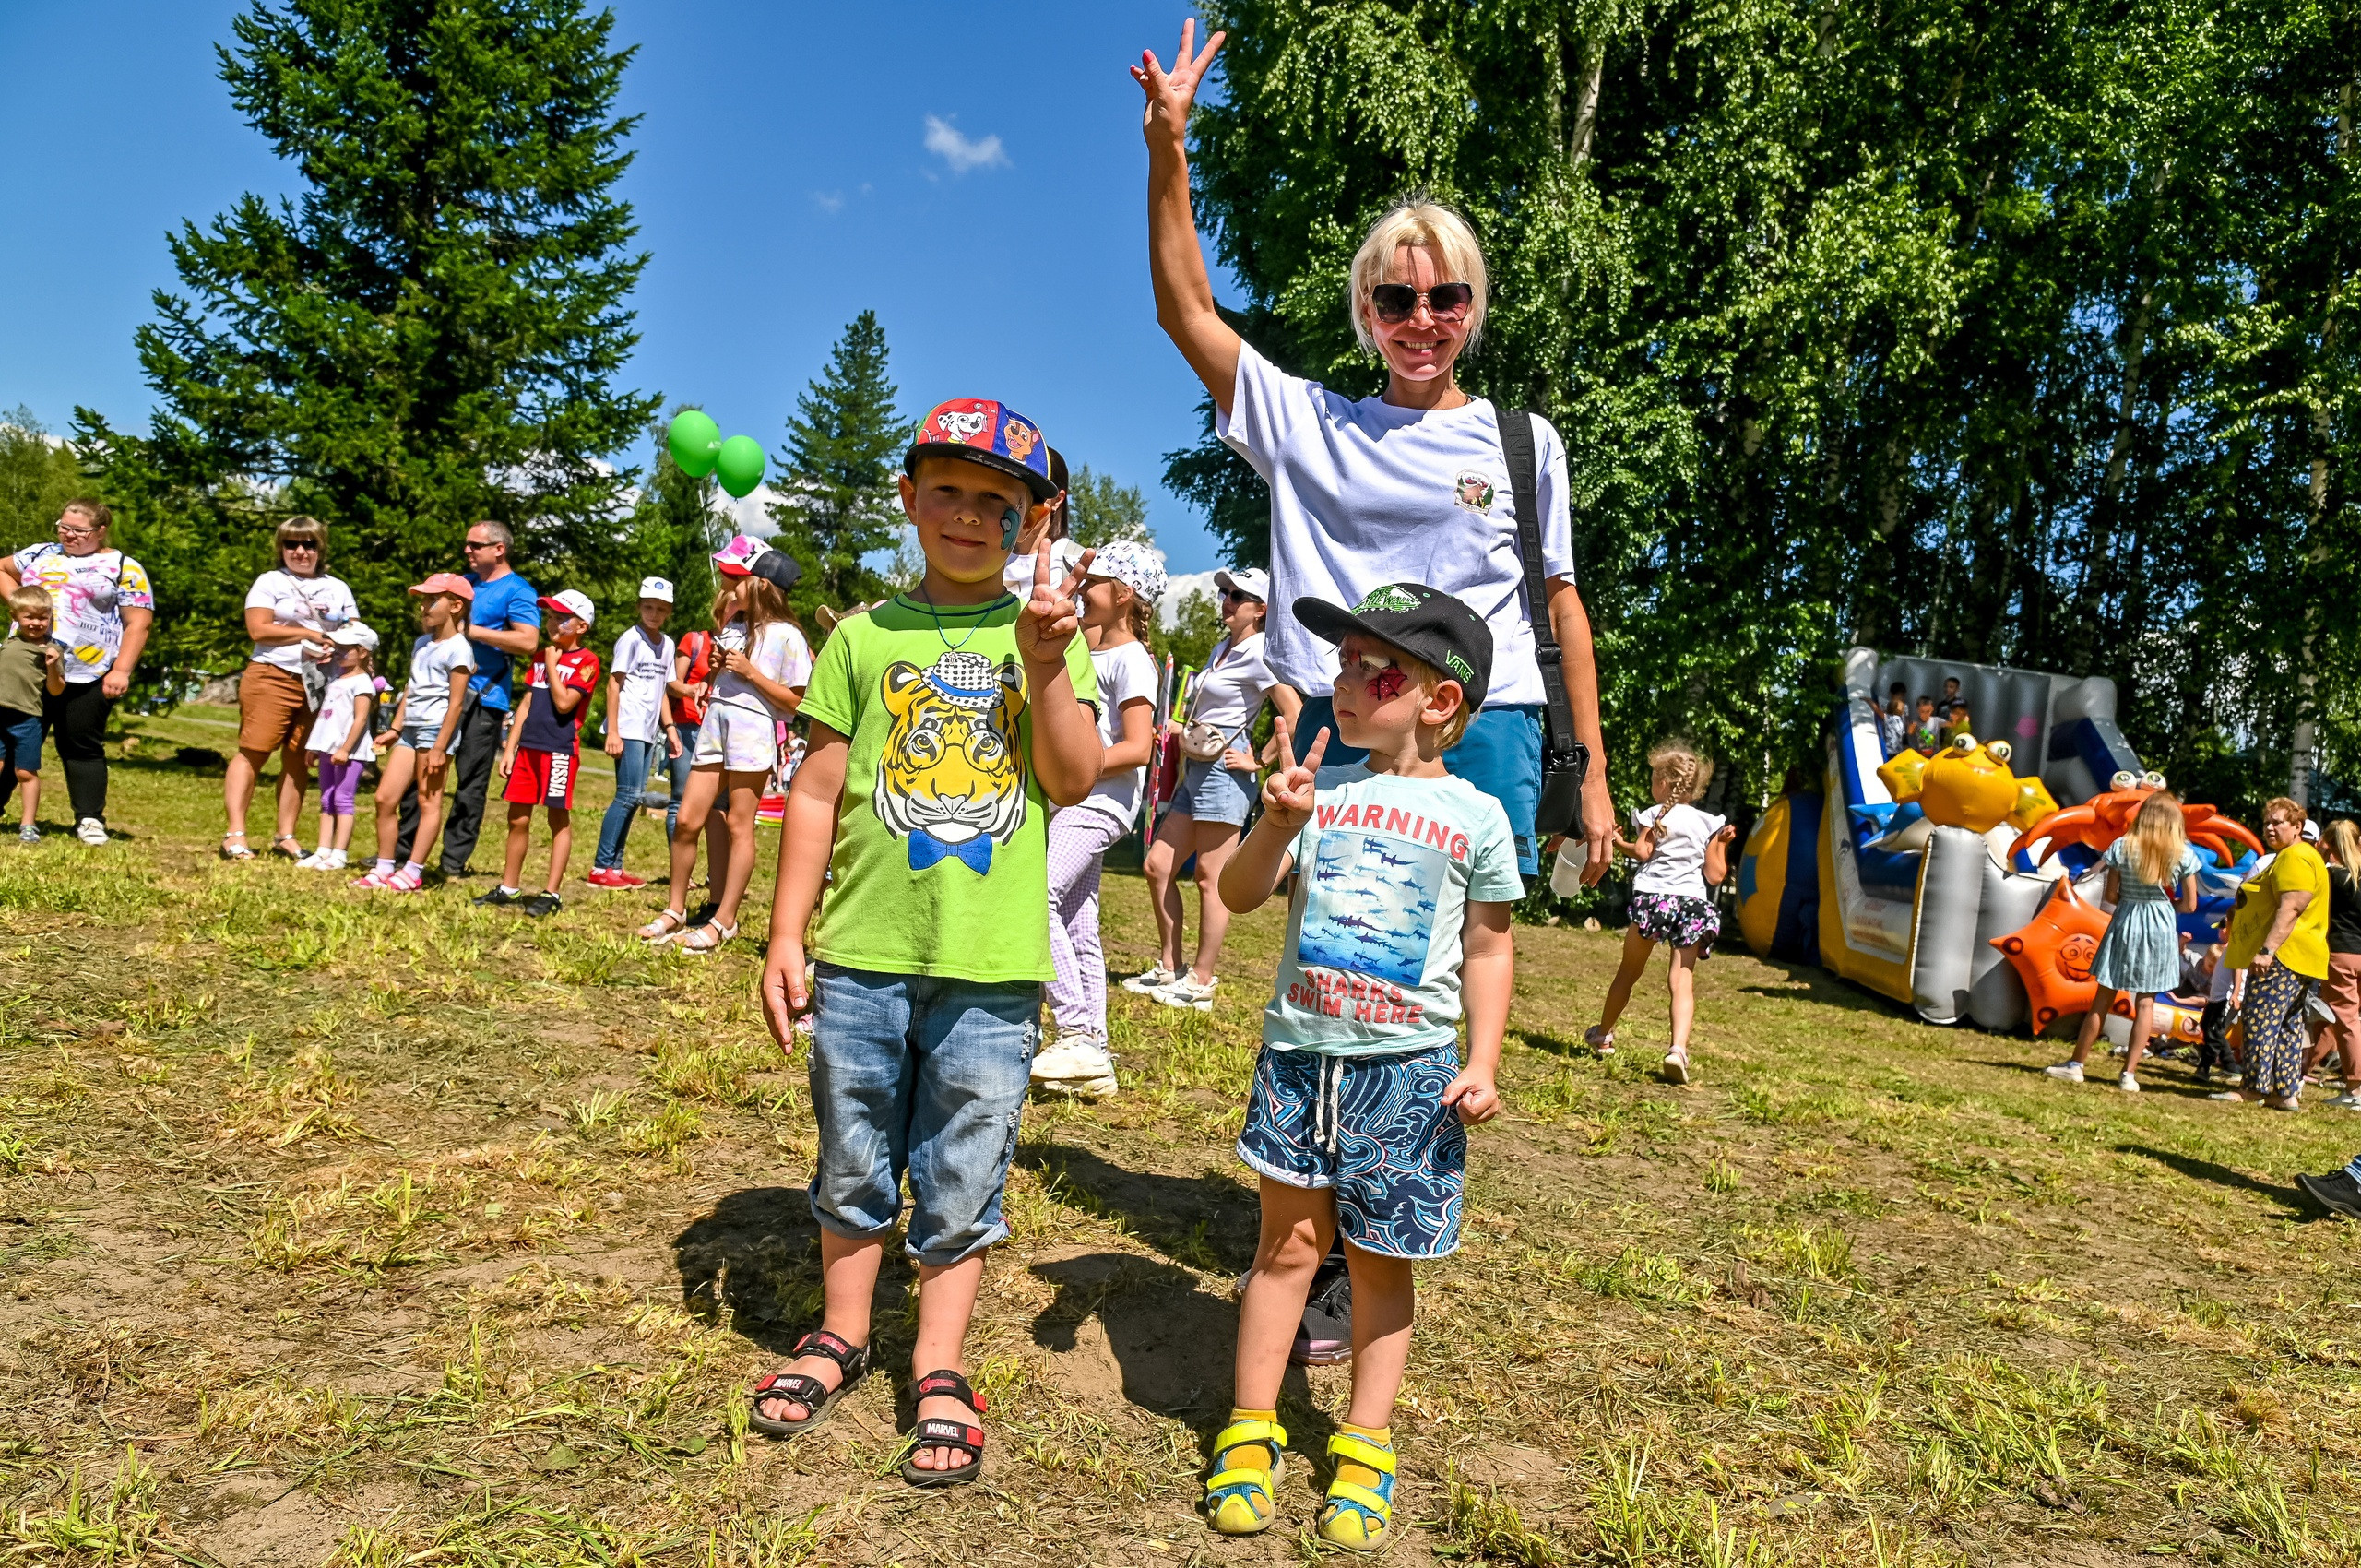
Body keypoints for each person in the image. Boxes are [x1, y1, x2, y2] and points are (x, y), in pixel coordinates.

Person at [1134, 21, 1614, 890]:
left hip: (1488, 716)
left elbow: (1561, 607)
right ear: (1366, 307)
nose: (1421, 319)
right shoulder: (1309, 422)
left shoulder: (1523, 441)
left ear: (1471, 306)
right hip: (1347, 708)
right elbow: (1187, 313)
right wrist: (1171, 147)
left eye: (1445, 297)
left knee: (1472, 942)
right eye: (1396, 298)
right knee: (1344, 930)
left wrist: (1596, 778)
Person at [749, 398, 1102, 1486]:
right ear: (907, 498)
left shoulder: (1049, 636)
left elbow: (1073, 778)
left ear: (1032, 523)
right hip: (861, 950)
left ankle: (938, 1362)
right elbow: (814, 791)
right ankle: (844, 1331)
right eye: (945, 488)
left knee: (963, 1165)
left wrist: (1045, 663)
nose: (966, 514)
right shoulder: (861, 637)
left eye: (996, 501)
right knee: (852, 1152)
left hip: (992, 969)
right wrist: (783, 928)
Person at [1204, 583, 1512, 1550]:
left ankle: (1363, 1447)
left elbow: (1491, 947)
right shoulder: (1317, 792)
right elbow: (1243, 894)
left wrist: (1484, 1057)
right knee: (1286, 1251)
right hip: (1301, 1059)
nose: (1342, 682)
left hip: (1410, 1076)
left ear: (1438, 700)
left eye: (1370, 667)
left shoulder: (1476, 815)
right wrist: (1275, 826)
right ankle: (1250, 1431)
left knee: (1382, 1269)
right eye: (1339, 664)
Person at [1128, 567, 1301, 1011]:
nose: (1227, 600)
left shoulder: (1262, 652)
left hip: (1226, 774)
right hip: (1197, 768)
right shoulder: (1223, 648)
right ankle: (1171, 967)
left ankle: (1201, 980)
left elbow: (1294, 712)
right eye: (1225, 592)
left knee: (1210, 878)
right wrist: (1178, 727)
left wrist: (1258, 761)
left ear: (1261, 609)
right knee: (1157, 866)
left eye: (1238, 595)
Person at [1032, 540, 1164, 1099]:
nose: (1082, 590)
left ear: (1124, 594)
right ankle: (1094, 1060)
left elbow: (1138, 747)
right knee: (1080, 920)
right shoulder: (1088, 653)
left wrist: (1074, 768)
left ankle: (1075, 1030)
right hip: (1077, 800)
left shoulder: (1133, 658)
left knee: (1035, 895)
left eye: (1094, 583)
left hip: (1101, 802)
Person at [638, 539, 808, 953]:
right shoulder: (735, 627)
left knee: (738, 824)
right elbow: (725, 674)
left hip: (753, 729)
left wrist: (748, 673)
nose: (732, 587)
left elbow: (798, 702)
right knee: (686, 819)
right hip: (716, 723)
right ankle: (675, 909)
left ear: (763, 585)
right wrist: (712, 680)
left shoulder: (788, 636)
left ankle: (724, 920)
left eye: (741, 580)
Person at [1583, 740, 1738, 1084]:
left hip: (1655, 900)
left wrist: (1619, 842)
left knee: (1629, 971)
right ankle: (1677, 1049)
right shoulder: (1710, 822)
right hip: (1692, 904)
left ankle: (1603, 1034)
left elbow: (1642, 853)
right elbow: (1715, 875)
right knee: (1682, 982)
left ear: (1664, 784)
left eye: (1654, 778)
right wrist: (1723, 844)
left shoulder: (1655, 815)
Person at [0, 500, 153, 845]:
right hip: (28, 668)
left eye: (79, 531)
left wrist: (121, 670)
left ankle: (89, 819)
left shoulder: (123, 566)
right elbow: (1, 570)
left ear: (100, 531)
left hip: (89, 670)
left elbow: (138, 622)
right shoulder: (39, 553)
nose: (68, 535)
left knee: (81, 745)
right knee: (10, 741)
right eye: (63, 527)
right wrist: (18, 604)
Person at [394, 520, 539, 875]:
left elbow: (528, 642)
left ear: (499, 549)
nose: (468, 551)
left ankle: (452, 862)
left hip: (485, 698)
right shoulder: (464, 585)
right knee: (420, 776)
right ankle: (403, 854)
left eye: (475, 545)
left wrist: (473, 632)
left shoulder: (517, 591)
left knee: (469, 783)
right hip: (439, 699)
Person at [2043, 794, 2202, 1092]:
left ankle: (2076, 1065)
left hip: (2127, 919)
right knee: (2146, 1003)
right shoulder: (2183, 854)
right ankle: (2129, 1074)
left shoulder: (2122, 847)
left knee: (2103, 997)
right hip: (2161, 925)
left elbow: (2111, 896)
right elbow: (2191, 904)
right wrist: (2171, 905)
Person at [224, 517, 358, 861]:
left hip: (320, 683)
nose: (300, 552)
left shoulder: (338, 587)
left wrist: (342, 648)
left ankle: (286, 835)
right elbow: (258, 629)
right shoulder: (270, 581)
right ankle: (235, 834)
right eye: (292, 545)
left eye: (309, 544)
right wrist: (308, 634)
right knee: (254, 751)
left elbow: (354, 629)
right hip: (273, 674)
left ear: (320, 548)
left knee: (300, 758)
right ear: (280, 548)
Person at [481, 590, 602, 917]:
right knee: (517, 817)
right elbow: (527, 703)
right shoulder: (540, 658)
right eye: (549, 616)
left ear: (581, 627)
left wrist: (551, 664)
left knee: (556, 818)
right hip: (528, 750)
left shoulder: (586, 662)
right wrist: (510, 747)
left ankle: (552, 893)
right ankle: (509, 886)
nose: (553, 623)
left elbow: (564, 703)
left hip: (559, 750)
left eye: (562, 618)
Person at [355, 576, 477, 892]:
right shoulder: (422, 644)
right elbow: (411, 689)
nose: (423, 607)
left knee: (428, 801)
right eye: (422, 601)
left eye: (430, 601)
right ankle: (384, 867)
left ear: (455, 606)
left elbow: (456, 704)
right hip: (410, 730)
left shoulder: (459, 650)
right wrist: (395, 729)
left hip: (436, 731)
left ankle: (412, 871)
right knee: (384, 798)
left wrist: (440, 748)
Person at [2211, 798, 2331, 1111]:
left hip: (2283, 954)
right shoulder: (2304, 856)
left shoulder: (2295, 857)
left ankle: (2253, 1088)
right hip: (2302, 955)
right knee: (2288, 1024)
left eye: (2278, 822)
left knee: (2260, 1019)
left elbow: (2292, 906)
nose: (2270, 827)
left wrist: (2266, 950)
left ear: (2298, 827)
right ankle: (2284, 1092)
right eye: (2267, 822)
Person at [588, 577, 682, 890]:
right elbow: (614, 683)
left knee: (637, 796)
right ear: (639, 607)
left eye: (660, 609)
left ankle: (615, 866)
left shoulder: (667, 644)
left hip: (647, 729)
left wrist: (670, 729)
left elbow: (663, 691)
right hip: (626, 725)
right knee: (627, 795)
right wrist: (613, 730)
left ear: (668, 611)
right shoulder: (630, 639)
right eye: (648, 607)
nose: (653, 613)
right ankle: (601, 866)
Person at [297, 623, 379, 871]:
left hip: (349, 752)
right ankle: (323, 850)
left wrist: (345, 749)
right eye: (338, 648)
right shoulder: (337, 679)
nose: (339, 652)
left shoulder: (362, 683)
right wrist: (315, 746)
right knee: (326, 798)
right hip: (327, 749)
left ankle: (340, 853)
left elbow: (360, 719)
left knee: (343, 799)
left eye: (346, 648)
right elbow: (326, 716)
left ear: (363, 652)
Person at [0, 585, 66, 840]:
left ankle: (28, 825)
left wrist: (52, 666)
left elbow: (57, 689)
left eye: (43, 617)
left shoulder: (51, 650)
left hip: (26, 718)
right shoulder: (8, 643)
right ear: (15, 617)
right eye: (30, 617)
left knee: (25, 772)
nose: (36, 623)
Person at [2313, 818, 2361, 1110]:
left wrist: (2320, 852)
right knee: (2351, 1019)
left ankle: (2355, 1088)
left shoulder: (2331, 877)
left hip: (2340, 952)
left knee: (2346, 1020)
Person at [1880, 683, 1908, 757]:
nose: (1901, 697)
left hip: (1900, 739)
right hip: (1889, 741)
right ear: (1891, 694)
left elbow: (1906, 722)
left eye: (1903, 695)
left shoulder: (1904, 706)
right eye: (1898, 695)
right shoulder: (1886, 706)